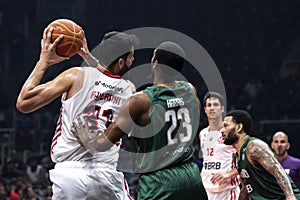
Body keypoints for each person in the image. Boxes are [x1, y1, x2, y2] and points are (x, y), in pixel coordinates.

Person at [73, 41, 208, 200]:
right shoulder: (190, 90)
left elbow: (102, 144)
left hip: (159, 182)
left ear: (155, 64)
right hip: (191, 176)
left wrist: (85, 137)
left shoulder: (141, 101)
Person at [16, 25, 138, 199]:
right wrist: (89, 57)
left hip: (69, 176)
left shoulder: (75, 76)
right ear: (120, 62)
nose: (132, 60)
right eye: (131, 56)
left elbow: (24, 102)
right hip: (106, 176)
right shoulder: (129, 90)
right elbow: (108, 79)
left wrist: (43, 61)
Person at [221, 109, 300, 200]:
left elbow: (278, 171)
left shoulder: (254, 147)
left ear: (239, 127)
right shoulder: (237, 157)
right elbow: (246, 189)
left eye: (226, 126)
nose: (222, 130)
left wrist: (290, 196)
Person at [199, 91, 240, 200]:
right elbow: (207, 161)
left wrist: (228, 174)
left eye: (216, 105)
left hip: (227, 192)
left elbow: (246, 161)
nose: (212, 108)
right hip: (207, 191)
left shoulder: (231, 132)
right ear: (205, 110)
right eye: (209, 105)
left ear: (222, 109)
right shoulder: (202, 133)